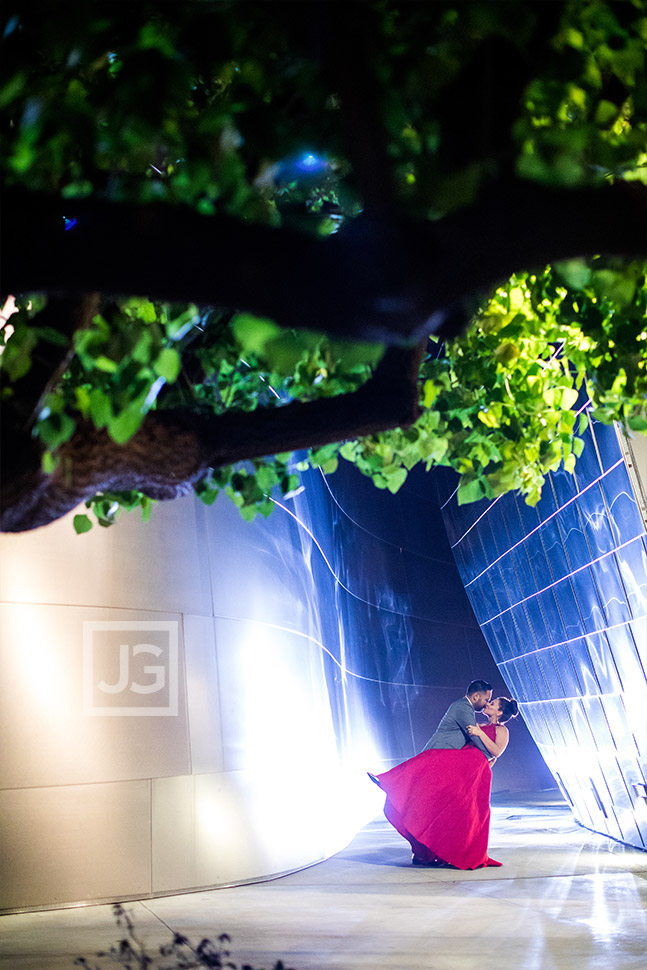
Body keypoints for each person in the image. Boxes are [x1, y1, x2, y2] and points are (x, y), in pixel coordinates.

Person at [370, 694, 519, 870]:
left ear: (500, 711)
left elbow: (496, 751)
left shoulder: (501, 730)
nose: (488, 703)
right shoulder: (479, 725)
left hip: (474, 770)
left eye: (492, 703)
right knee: (431, 765)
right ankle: (392, 782)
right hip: (462, 761)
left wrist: (479, 733)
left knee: (462, 812)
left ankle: (391, 781)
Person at [422, 680, 494, 762]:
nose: (487, 704)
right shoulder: (463, 707)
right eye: (486, 700)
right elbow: (474, 735)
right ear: (476, 696)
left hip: (441, 754)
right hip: (436, 753)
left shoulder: (466, 707)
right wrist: (488, 755)